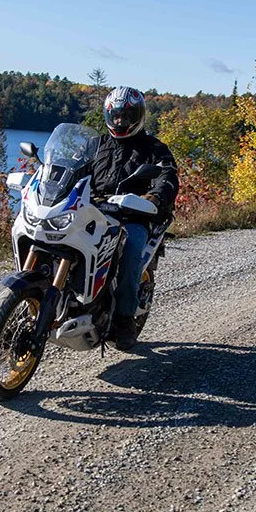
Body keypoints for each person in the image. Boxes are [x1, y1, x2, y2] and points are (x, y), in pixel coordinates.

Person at [90, 86, 178, 350]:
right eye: (115, 115)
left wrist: (155, 197)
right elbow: (72, 167)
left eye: (126, 115)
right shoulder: (96, 145)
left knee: (129, 246)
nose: (120, 121)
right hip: (95, 210)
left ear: (138, 116)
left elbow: (168, 176)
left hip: (133, 215)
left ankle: (125, 318)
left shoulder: (153, 148)